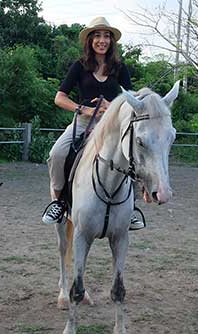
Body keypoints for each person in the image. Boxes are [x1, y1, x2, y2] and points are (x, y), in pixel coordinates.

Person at [42, 16, 145, 229]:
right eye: (97, 35)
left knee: (133, 152)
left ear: (111, 41)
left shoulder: (121, 68)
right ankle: (59, 201)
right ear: (90, 40)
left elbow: (130, 99)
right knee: (56, 154)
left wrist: (112, 104)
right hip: (82, 124)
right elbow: (59, 98)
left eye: (106, 36)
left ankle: (132, 207)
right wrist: (85, 109)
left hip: (112, 127)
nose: (102, 40)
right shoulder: (79, 67)